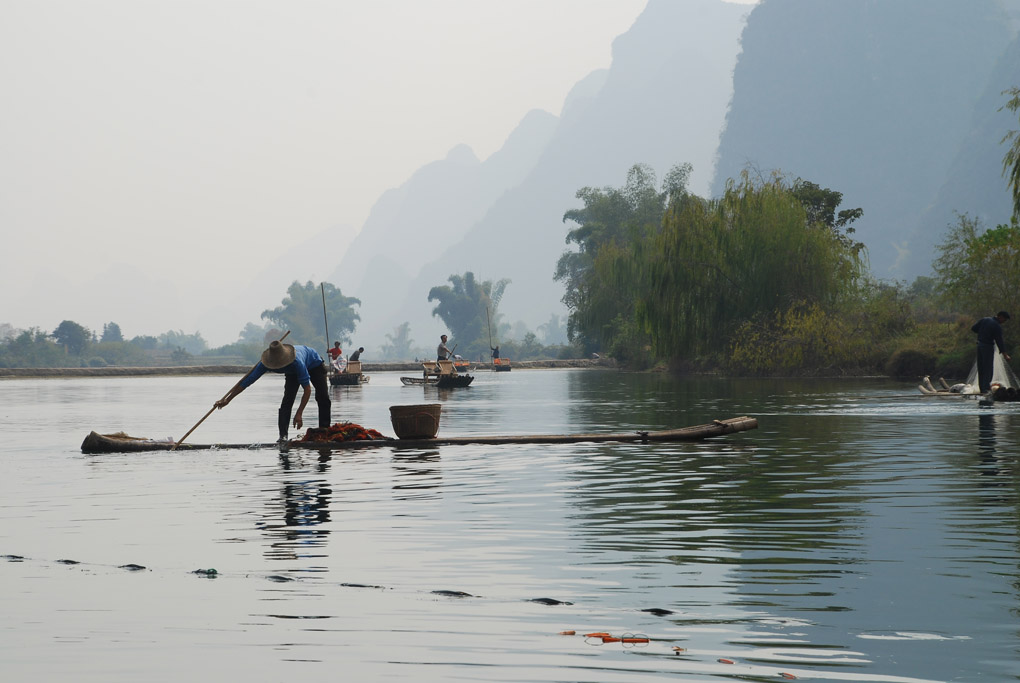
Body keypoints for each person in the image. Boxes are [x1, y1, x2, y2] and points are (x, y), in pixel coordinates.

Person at [215, 340, 331, 441]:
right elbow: (246, 382)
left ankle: (324, 429)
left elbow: (307, 389)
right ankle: (283, 436)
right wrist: (227, 400)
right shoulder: (265, 364)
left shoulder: (296, 362)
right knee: (287, 401)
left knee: (322, 397)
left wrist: (299, 413)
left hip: (314, 365)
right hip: (291, 372)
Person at [972, 311, 1011, 393]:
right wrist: (1005, 355)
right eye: (1004, 319)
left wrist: (983, 333)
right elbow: (999, 341)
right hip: (987, 347)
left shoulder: (984, 319)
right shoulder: (996, 326)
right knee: (988, 368)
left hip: (979, 345)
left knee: (981, 368)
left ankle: (982, 388)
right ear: (1000, 316)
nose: (1004, 322)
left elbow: (974, 328)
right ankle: (986, 389)